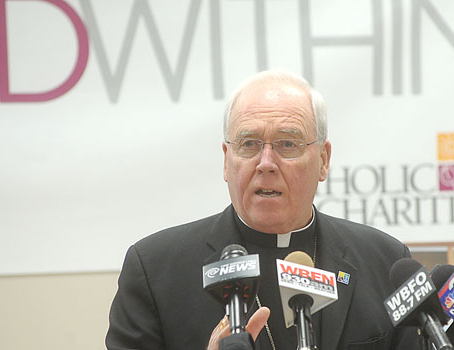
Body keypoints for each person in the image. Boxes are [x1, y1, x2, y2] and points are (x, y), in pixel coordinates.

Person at [105, 70, 419, 350]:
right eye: (249, 144)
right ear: (227, 159)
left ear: (323, 160)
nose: (266, 163)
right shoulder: (154, 271)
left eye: (288, 144)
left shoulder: (386, 263)